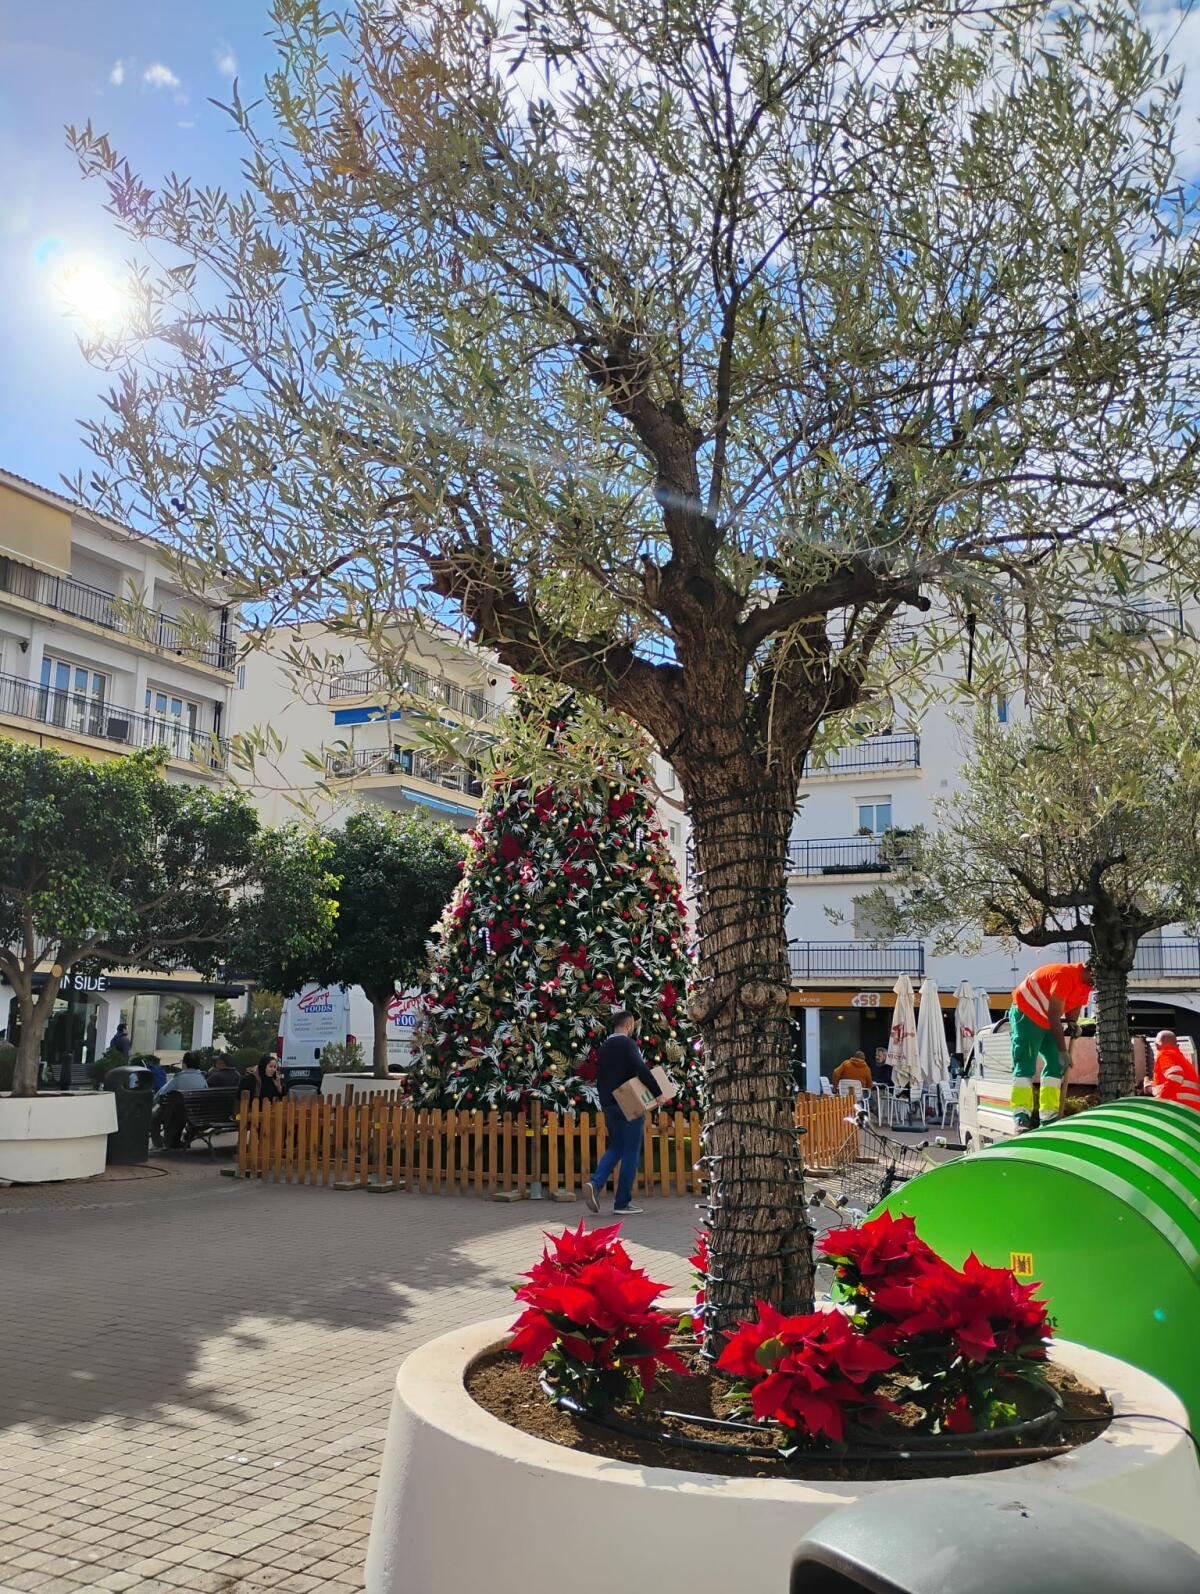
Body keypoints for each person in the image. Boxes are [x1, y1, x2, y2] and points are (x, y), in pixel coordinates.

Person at [583, 1012, 663, 1216]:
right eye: (632, 1026)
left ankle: (595, 1183)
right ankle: (622, 1203)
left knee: (616, 1146)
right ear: (628, 1025)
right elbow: (640, 1068)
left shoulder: (604, 1047)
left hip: (609, 1103)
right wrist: (658, 1092)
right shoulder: (627, 1044)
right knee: (630, 1152)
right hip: (628, 1102)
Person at [1009, 960, 1093, 1130]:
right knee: (1026, 1065)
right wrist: (1062, 1050)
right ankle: (1021, 1116)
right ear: (1088, 969)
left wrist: (1072, 1022)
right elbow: (1054, 1015)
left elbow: (1076, 1003)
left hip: (1046, 1020)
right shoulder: (1064, 976)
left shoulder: (1087, 982)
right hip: (1027, 1013)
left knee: (1056, 1064)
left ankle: (1049, 1118)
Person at [152, 1050, 209, 1149]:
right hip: (194, 1115)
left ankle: (158, 1144)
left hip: (174, 1114)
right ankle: (176, 1141)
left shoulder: (178, 1078)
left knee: (153, 1118)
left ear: (184, 1064)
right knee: (179, 1114)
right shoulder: (202, 1079)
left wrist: (152, 1104)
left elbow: (161, 1093)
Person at [1150, 1030, 1200, 1112]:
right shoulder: (1184, 1061)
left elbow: (1175, 1077)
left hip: (1178, 1108)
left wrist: (1159, 1100)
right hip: (1193, 1111)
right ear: (1177, 1045)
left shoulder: (1165, 1054)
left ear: (1156, 1046)